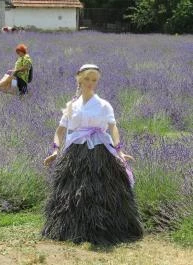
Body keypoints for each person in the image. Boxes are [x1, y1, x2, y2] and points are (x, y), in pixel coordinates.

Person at [42, 64, 143, 245]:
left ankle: (107, 229)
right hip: (75, 152)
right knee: (72, 192)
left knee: (105, 190)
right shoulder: (72, 105)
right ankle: (71, 229)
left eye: (94, 80)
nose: (90, 83)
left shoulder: (104, 105)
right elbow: (60, 131)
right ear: (79, 78)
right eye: (87, 78)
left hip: (100, 150)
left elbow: (113, 127)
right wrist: (55, 150)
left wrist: (119, 150)